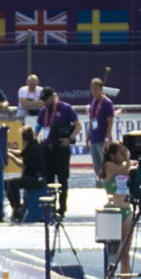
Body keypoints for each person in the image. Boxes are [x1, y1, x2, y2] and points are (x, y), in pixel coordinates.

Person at [36, 86, 79, 216]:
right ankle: (51, 207)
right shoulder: (43, 111)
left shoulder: (66, 108)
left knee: (62, 179)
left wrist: (69, 139)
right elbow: (38, 127)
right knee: (48, 179)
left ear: (52, 97)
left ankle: (62, 208)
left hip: (61, 149)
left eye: (46, 100)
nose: (44, 103)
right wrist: (33, 139)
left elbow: (78, 125)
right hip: (48, 150)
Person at [100, 141, 133, 279]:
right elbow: (127, 171)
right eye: (121, 152)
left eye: (125, 151)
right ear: (113, 156)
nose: (124, 154)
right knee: (115, 252)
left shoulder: (123, 165)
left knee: (126, 253)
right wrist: (128, 158)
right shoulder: (109, 166)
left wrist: (126, 157)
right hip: (114, 212)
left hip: (126, 211)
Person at [4, 125, 46, 222]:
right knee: (13, 182)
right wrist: (9, 151)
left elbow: (23, 165)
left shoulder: (32, 149)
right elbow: (21, 153)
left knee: (9, 184)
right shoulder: (33, 145)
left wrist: (11, 157)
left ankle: (17, 207)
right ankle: (18, 207)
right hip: (36, 177)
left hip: (35, 179)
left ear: (23, 137)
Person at [86, 78, 116, 186]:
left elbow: (110, 121)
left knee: (106, 166)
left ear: (101, 89)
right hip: (94, 139)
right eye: (92, 88)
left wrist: (107, 139)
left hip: (102, 139)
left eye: (96, 89)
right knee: (97, 168)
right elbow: (92, 120)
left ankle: (109, 188)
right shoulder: (93, 102)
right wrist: (88, 137)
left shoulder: (107, 103)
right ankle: (99, 188)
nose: (94, 91)